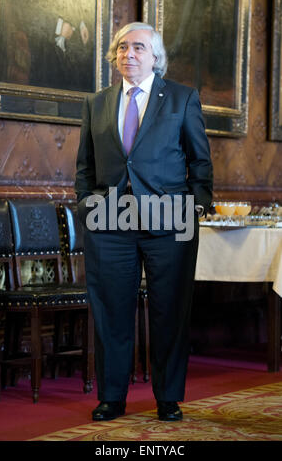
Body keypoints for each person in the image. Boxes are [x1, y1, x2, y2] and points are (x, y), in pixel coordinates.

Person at [75, 22, 213, 422]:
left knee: (170, 311)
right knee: (111, 313)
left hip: (171, 222)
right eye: (122, 47)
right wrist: (86, 205)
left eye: (137, 47)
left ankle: (168, 398)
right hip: (109, 224)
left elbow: (200, 160)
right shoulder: (96, 103)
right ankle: (112, 398)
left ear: (155, 57)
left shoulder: (182, 99)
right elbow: (85, 167)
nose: (128, 54)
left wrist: (197, 206)